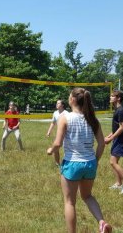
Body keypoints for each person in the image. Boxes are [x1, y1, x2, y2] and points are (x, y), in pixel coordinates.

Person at [47, 88, 112, 233]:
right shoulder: (93, 119)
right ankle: (101, 222)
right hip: (89, 163)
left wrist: (51, 150)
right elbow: (102, 144)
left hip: (72, 164)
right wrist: (95, 160)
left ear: (72, 100)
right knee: (87, 196)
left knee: (70, 202)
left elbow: (57, 143)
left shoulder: (65, 117)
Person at [105, 90, 123, 194]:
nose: (110, 97)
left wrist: (111, 138)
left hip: (121, 140)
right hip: (117, 139)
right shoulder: (117, 110)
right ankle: (118, 184)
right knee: (114, 162)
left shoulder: (121, 110)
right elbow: (116, 127)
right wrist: (109, 136)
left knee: (113, 162)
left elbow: (122, 128)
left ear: (118, 98)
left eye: (113, 96)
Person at [46, 99, 69, 166]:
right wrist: (48, 132)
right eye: (56, 103)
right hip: (59, 134)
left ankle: (66, 163)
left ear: (62, 105)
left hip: (66, 134)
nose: (57, 104)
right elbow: (53, 123)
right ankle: (57, 164)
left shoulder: (66, 113)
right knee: (56, 148)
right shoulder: (55, 113)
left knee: (66, 149)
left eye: (58, 103)